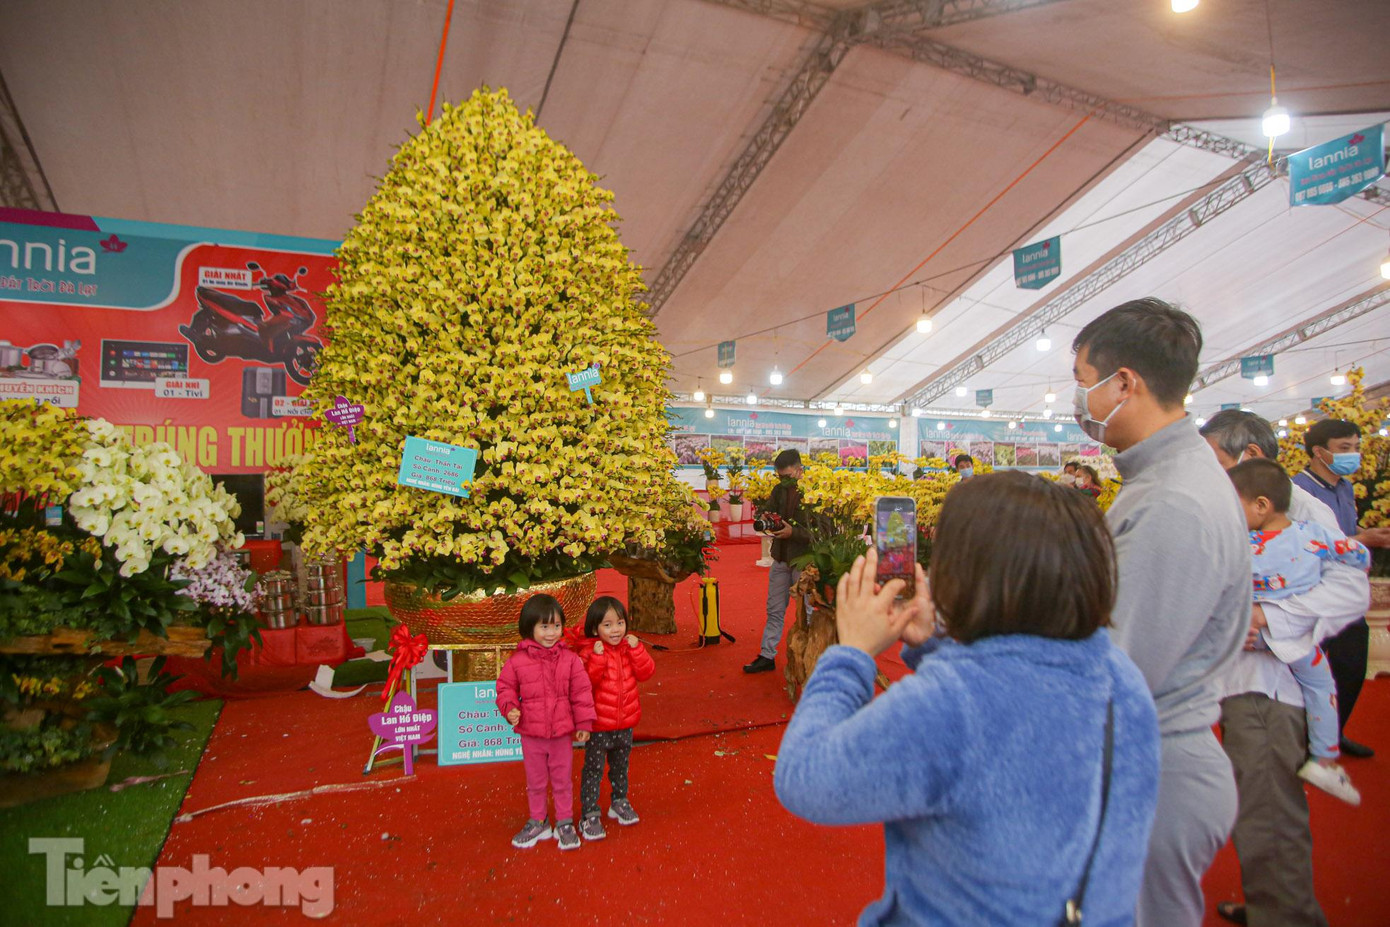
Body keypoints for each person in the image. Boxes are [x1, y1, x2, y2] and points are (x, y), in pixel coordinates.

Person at [774, 472, 1160, 925]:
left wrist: (851, 654)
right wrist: (936, 645)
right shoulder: (1123, 679)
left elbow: (805, 778)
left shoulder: (952, 701)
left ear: (971, 575)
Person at [1071, 298, 1249, 927]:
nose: (1079, 402)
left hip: (1149, 772)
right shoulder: (1163, 479)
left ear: (1125, 384)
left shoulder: (1173, 502)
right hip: (1142, 759)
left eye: (1083, 383)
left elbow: (1113, 674)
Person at [1198, 409, 1369, 926]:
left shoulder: (1305, 513)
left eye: (1215, 462)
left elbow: (1349, 590)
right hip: (1239, 679)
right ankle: (1271, 904)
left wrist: (1267, 617)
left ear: (1250, 455)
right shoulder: (1238, 510)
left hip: (1271, 687)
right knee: (1256, 803)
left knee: (1270, 810)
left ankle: (1285, 915)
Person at [1228, 458, 1366, 804]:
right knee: (1321, 687)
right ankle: (1324, 758)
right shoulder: (1312, 536)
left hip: (1249, 638)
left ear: (1262, 505)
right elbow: (1357, 555)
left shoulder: (1238, 545)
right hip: (1291, 640)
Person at [1290, 418, 1390, 759]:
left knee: (1350, 667)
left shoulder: (1345, 487)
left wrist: (1366, 534)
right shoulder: (1298, 491)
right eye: (1344, 448)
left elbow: (1345, 530)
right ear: (1319, 452)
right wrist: (1362, 540)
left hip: (1345, 593)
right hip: (1313, 593)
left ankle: (1333, 733)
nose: (1353, 455)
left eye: (1356, 447)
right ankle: (1301, 739)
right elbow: (1303, 543)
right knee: (1304, 672)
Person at [496, 594, 596, 850]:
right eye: (544, 626)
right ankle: (538, 821)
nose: (552, 633)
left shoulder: (570, 660)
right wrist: (509, 708)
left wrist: (584, 724)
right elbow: (505, 688)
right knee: (536, 782)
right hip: (531, 734)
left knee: (562, 781)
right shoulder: (517, 661)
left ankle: (564, 822)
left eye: (557, 626)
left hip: (561, 733)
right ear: (529, 627)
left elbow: (582, 693)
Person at [573, 596, 655, 841]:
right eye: (607, 625)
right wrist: (597, 658)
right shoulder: (589, 652)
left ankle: (619, 800)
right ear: (594, 628)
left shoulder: (629, 648)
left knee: (620, 767)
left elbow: (646, 672)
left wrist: (638, 650)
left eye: (619, 623)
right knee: (594, 770)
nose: (615, 630)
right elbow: (585, 683)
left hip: (625, 722)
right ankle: (589, 813)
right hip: (599, 725)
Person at [744, 449, 811, 673]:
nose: (783, 481)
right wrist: (763, 515)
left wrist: (794, 533)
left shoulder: (815, 492)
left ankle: (812, 658)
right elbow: (767, 510)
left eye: (787, 477)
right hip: (780, 559)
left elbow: (823, 532)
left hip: (803, 562)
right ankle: (767, 655)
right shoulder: (778, 490)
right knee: (774, 610)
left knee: (808, 614)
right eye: (780, 477)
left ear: (800, 470)